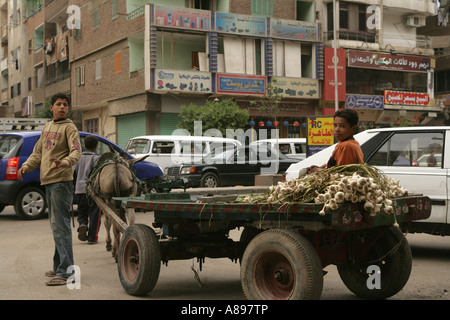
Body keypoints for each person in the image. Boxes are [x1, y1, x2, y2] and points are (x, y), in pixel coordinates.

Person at [17, 93, 81, 286]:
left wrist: (65, 162)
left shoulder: (70, 127)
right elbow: (38, 152)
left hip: (61, 181)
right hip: (48, 182)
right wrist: (27, 166)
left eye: (65, 105)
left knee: (61, 226)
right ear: (52, 107)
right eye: (58, 104)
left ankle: (67, 272)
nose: (62, 107)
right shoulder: (47, 127)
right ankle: (59, 265)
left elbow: (77, 151)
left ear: (68, 109)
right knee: (56, 227)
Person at [306, 109, 364, 174]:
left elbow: (340, 174)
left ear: (353, 128)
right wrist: (320, 168)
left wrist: (318, 171)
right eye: (335, 125)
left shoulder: (346, 145)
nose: (337, 130)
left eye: (342, 126)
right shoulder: (352, 143)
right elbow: (334, 166)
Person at [74, 135, 101, 244]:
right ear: (96, 147)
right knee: (95, 214)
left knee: (82, 211)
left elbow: (74, 173)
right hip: (93, 191)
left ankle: (82, 224)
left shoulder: (78, 158)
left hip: (80, 190)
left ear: (84, 146)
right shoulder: (96, 158)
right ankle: (92, 238)